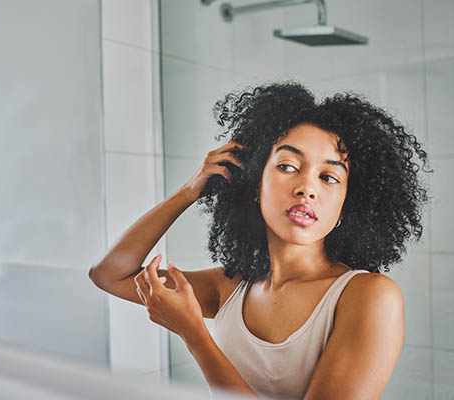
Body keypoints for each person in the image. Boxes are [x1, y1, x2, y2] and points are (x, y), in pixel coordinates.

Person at [89, 81, 432, 399]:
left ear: (346, 206)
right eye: (287, 166)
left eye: (328, 177)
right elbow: (109, 275)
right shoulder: (231, 286)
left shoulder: (368, 296)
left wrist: (195, 335)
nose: (306, 188)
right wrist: (188, 191)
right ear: (255, 184)